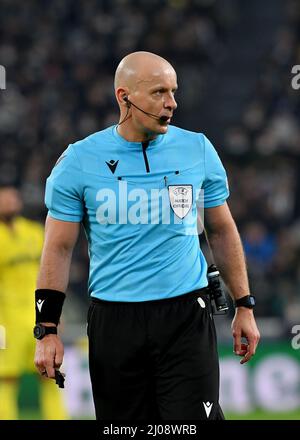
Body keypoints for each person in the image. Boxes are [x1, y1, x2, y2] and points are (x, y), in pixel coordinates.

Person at [34, 51, 260, 420]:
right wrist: (47, 330)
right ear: (124, 97)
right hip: (114, 322)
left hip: (186, 315)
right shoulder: (78, 161)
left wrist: (244, 306)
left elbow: (221, 229)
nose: (172, 103)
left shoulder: (197, 148)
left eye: (173, 91)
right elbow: (58, 249)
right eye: (159, 92)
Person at [0, 186, 68, 419]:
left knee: (51, 373)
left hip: (37, 316)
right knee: (6, 379)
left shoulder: (34, 232)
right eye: (3, 198)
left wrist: (56, 314)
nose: (9, 202)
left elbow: (52, 272)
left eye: (12, 197)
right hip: (6, 321)